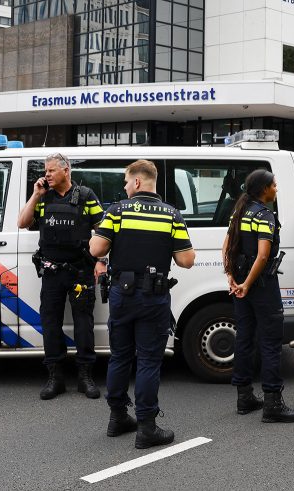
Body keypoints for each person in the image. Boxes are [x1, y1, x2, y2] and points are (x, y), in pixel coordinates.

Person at [89, 159, 195, 449]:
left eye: (125, 182)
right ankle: (146, 427)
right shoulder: (172, 215)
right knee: (148, 360)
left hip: (122, 296)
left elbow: (97, 249)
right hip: (153, 297)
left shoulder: (117, 210)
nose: (124, 187)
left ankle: (117, 418)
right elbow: (186, 260)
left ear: (137, 182)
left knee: (120, 357)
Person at [18, 153, 106, 401]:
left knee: (83, 325)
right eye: (45, 171)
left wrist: (101, 261)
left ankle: (85, 377)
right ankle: (55, 378)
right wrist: (36, 194)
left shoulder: (86, 196)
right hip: (52, 271)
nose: (46, 175)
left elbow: (103, 230)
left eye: (51, 171)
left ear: (66, 171)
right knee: (50, 324)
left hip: (80, 271)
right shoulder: (43, 198)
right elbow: (23, 222)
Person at [222, 169, 294, 423]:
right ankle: (273, 404)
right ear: (263, 189)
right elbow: (263, 255)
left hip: (241, 282)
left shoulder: (239, 211)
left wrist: (231, 276)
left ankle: (244, 398)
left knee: (244, 338)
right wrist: (247, 283)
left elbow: (226, 246)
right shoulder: (264, 215)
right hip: (262, 286)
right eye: (274, 185)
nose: (276, 189)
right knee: (270, 342)